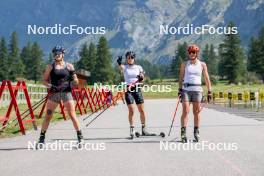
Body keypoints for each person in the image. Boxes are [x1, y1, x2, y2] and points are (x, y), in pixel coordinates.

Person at [37, 46, 83, 147]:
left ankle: (80, 138)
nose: (56, 55)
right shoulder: (50, 66)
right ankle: (41, 139)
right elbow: (44, 81)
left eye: (58, 53)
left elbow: (76, 81)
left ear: (63, 54)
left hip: (66, 93)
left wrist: (69, 84)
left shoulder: (69, 66)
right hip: (54, 94)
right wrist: (51, 86)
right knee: (48, 116)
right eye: (55, 53)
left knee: (72, 115)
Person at [178, 44, 212, 142]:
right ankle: (183, 133)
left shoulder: (202, 64)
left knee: (196, 112)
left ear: (197, 53)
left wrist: (209, 91)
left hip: (197, 90)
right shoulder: (184, 64)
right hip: (186, 90)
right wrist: (179, 90)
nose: (192, 54)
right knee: (185, 111)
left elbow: (206, 78)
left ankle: (196, 132)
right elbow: (180, 78)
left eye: (194, 52)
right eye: (190, 52)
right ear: (188, 53)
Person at [117, 51, 152, 138]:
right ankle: (132, 130)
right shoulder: (124, 67)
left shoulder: (139, 67)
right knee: (132, 110)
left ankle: (144, 129)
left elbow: (142, 78)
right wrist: (119, 62)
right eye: (128, 57)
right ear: (126, 59)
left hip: (137, 89)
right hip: (128, 89)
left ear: (134, 58)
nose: (130, 59)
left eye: (131, 57)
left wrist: (141, 78)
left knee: (142, 111)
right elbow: (120, 68)